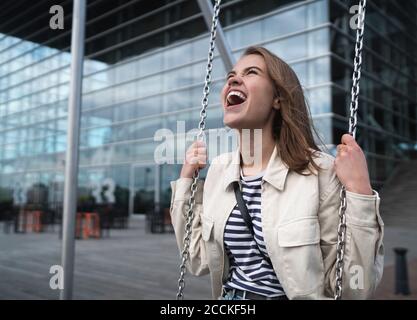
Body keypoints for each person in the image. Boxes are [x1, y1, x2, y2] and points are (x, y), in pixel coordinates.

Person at [170, 46, 384, 300]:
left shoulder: (320, 172)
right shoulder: (219, 170)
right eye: (230, 76)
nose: (234, 80)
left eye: (251, 72)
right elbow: (196, 259)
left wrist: (360, 191)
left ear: (277, 98)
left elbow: (354, 288)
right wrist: (186, 181)